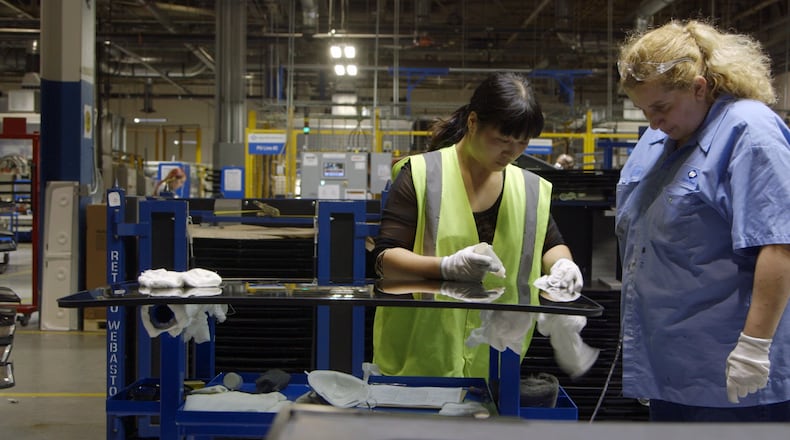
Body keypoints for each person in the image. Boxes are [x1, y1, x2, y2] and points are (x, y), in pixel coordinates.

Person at [615, 19, 790, 422]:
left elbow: (779, 243)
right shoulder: (659, 138)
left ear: (699, 87)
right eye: (644, 110)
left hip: (734, 374)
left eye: (661, 107)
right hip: (668, 367)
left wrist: (754, 346)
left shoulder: (749, 132)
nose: (653, 121)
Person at [371, 72, 584, 378]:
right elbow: (386, 259)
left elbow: (551, 244)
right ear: (473, 122)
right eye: (502, 140)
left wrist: (564, 266)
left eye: (522, 143)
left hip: (496, 359)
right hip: (418, 355)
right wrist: (446, 267)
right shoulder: (422, 174)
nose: (511, 152)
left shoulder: (529, 188)